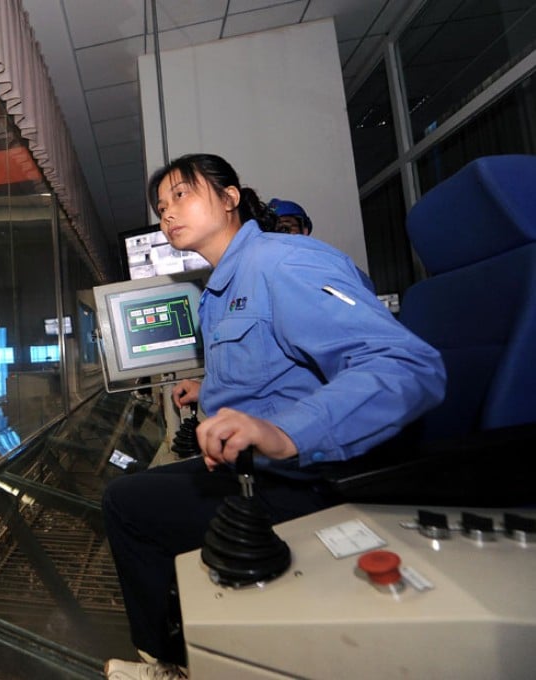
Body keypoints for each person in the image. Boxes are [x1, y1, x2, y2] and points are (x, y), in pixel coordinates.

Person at [102, 154, 445, 680]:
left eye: (182, 195)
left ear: (230, 197)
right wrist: (208, 389)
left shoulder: (283, 262)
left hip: (310, 479)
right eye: (161, 206)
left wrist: (284, 432)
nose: (167, 214)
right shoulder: (217, 293)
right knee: (135, 499)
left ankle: (171, 664)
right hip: (254, 468)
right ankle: (179, 653)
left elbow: (408, 368)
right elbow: (266, 372)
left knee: (129, 505)